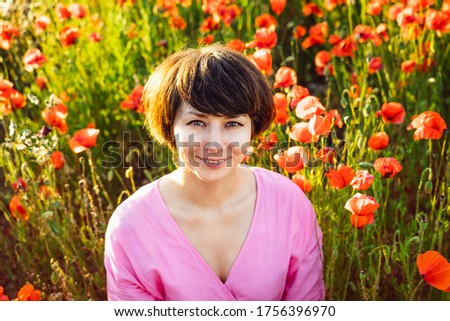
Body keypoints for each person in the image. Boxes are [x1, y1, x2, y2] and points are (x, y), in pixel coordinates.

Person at [104, 44, 325, 300]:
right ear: (170, 125)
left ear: (252, 129)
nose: (215, 143)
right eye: (196, 122)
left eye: (233, 124)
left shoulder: (289, 205)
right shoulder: (132, 227)